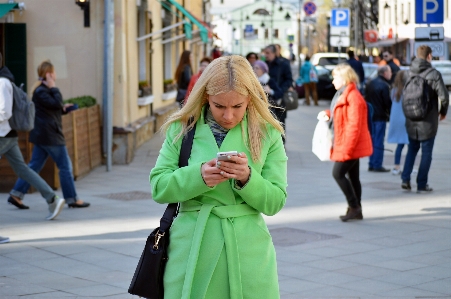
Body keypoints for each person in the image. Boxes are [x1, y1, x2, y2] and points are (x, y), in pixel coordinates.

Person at [150, 55, 287, 298]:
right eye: (219, 106)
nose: (228, 116)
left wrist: (247, 178)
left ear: (250, 100)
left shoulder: (268, 133)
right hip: (191, 246)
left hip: (248, 251)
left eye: (238, 106)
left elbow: (275, 201)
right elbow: (159, 187)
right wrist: (198, 176)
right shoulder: (182, 129)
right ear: (205, 98)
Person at [10, 60, 90, 209]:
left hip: (43, 135)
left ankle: (16, 194)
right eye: (53, 72)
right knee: (65, 166)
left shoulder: (42, 91)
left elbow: (53, 108)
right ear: (49, 74)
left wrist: (64, 108)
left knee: (33, 167)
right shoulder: (42, 91)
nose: (55, 75)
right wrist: (54, 88)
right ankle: (72, 198)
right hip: (50, 136)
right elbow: (56, 103)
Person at [0, 56, 65, 220]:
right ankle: (52, 199)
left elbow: (4, 112)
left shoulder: (2, 82)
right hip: (8, 135)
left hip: (2, 135)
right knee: (23, 169)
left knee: (27, 168)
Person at [319, 64, 372, 221]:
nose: (333, 80)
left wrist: (347, 149)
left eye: (335, 77)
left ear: (344, 78)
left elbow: (354, 126)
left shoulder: (353, 97)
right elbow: (340, 113)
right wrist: (328, 114)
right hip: (347, 143)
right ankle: (357, 209)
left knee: (338, 173)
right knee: (353, 177)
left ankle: (354, 206)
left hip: (350, 144)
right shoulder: (344, 94)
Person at [401, 45, 449, 193]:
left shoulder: (407, 73)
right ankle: (421, 184)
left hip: (411, 119)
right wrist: (442, 112)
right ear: (429, 56)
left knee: (412, 149)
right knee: (426, 152)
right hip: (428, 120)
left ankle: (405, 179)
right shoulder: (433, 74)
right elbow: (444, 97)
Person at [365, 66, 392, 172]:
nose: (391, 74)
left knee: (372, 139)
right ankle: (377, 164)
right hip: (380, 116)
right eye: (390, 72)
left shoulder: (370, 83)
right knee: (378, 140)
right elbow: (387, 103)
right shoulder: (384, 85)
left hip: (371, 115)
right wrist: (390, 114)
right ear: (385, 73)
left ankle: (371, 163)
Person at [263, 44, 293, 141]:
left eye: (268, 53)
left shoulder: (283, 63)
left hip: (279, 99)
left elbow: (289, 80)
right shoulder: (264, 64)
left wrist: (280, 90)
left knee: (280, 122)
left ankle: (281, 146)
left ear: (274, 53)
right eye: (265, 53)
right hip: (266, 98)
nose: (266, 55)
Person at [387, 70, 409, 175]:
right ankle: (409, 166)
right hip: (407, 119)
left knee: (400, 145)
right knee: (411, 145)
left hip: (397, 120)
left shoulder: (394, 90)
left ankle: (396, 166)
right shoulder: (408, 90)